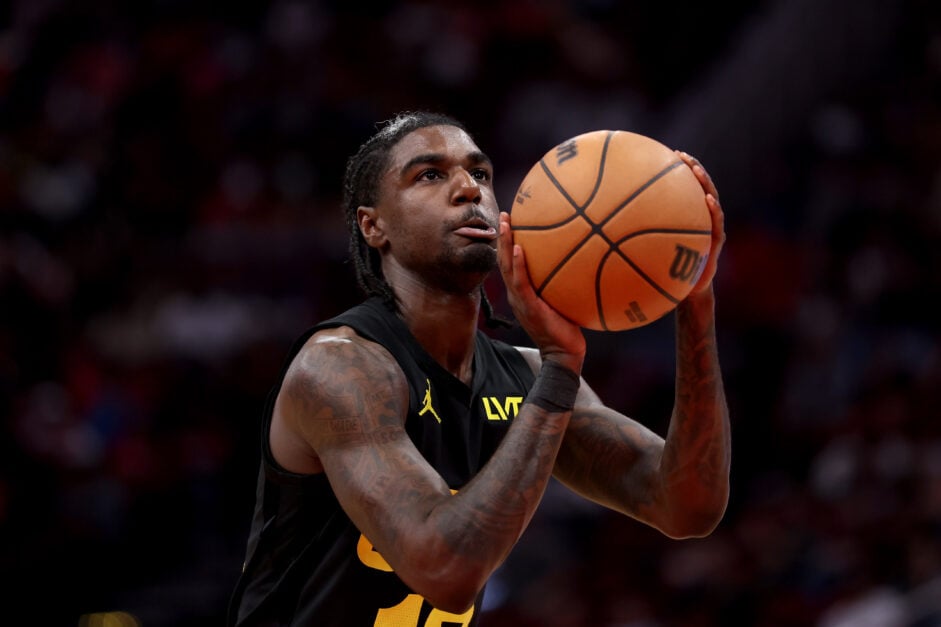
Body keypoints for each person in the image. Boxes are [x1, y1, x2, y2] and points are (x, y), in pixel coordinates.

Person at [227, 111, 731, 626]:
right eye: (430, 175)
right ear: (372, 225)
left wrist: (694, 301)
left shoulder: (524, 377)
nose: (468, 188)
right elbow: (446, 571)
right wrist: (559, 370)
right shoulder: (340, 368)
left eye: (481, 174)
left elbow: (686, 505)